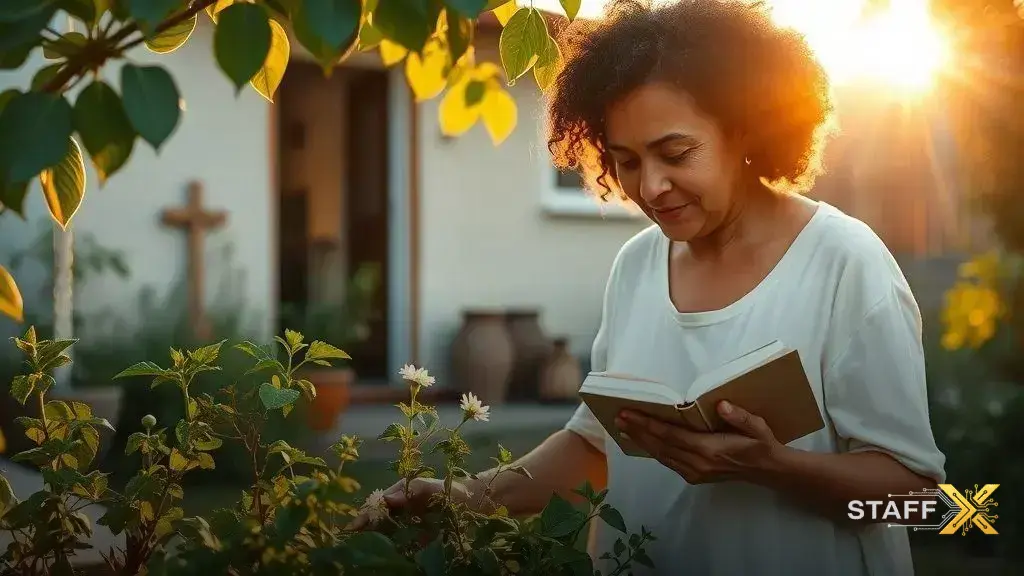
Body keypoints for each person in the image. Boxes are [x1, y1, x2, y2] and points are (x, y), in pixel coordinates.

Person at [352, 1, 947, 574]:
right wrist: (462, 494)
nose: (651, 186)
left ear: (745, 130)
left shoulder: (846, 264)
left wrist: (772, 466)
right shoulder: (637, 264)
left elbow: (922, 504)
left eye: (676, 153)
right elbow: (596, 446)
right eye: (626, 161)